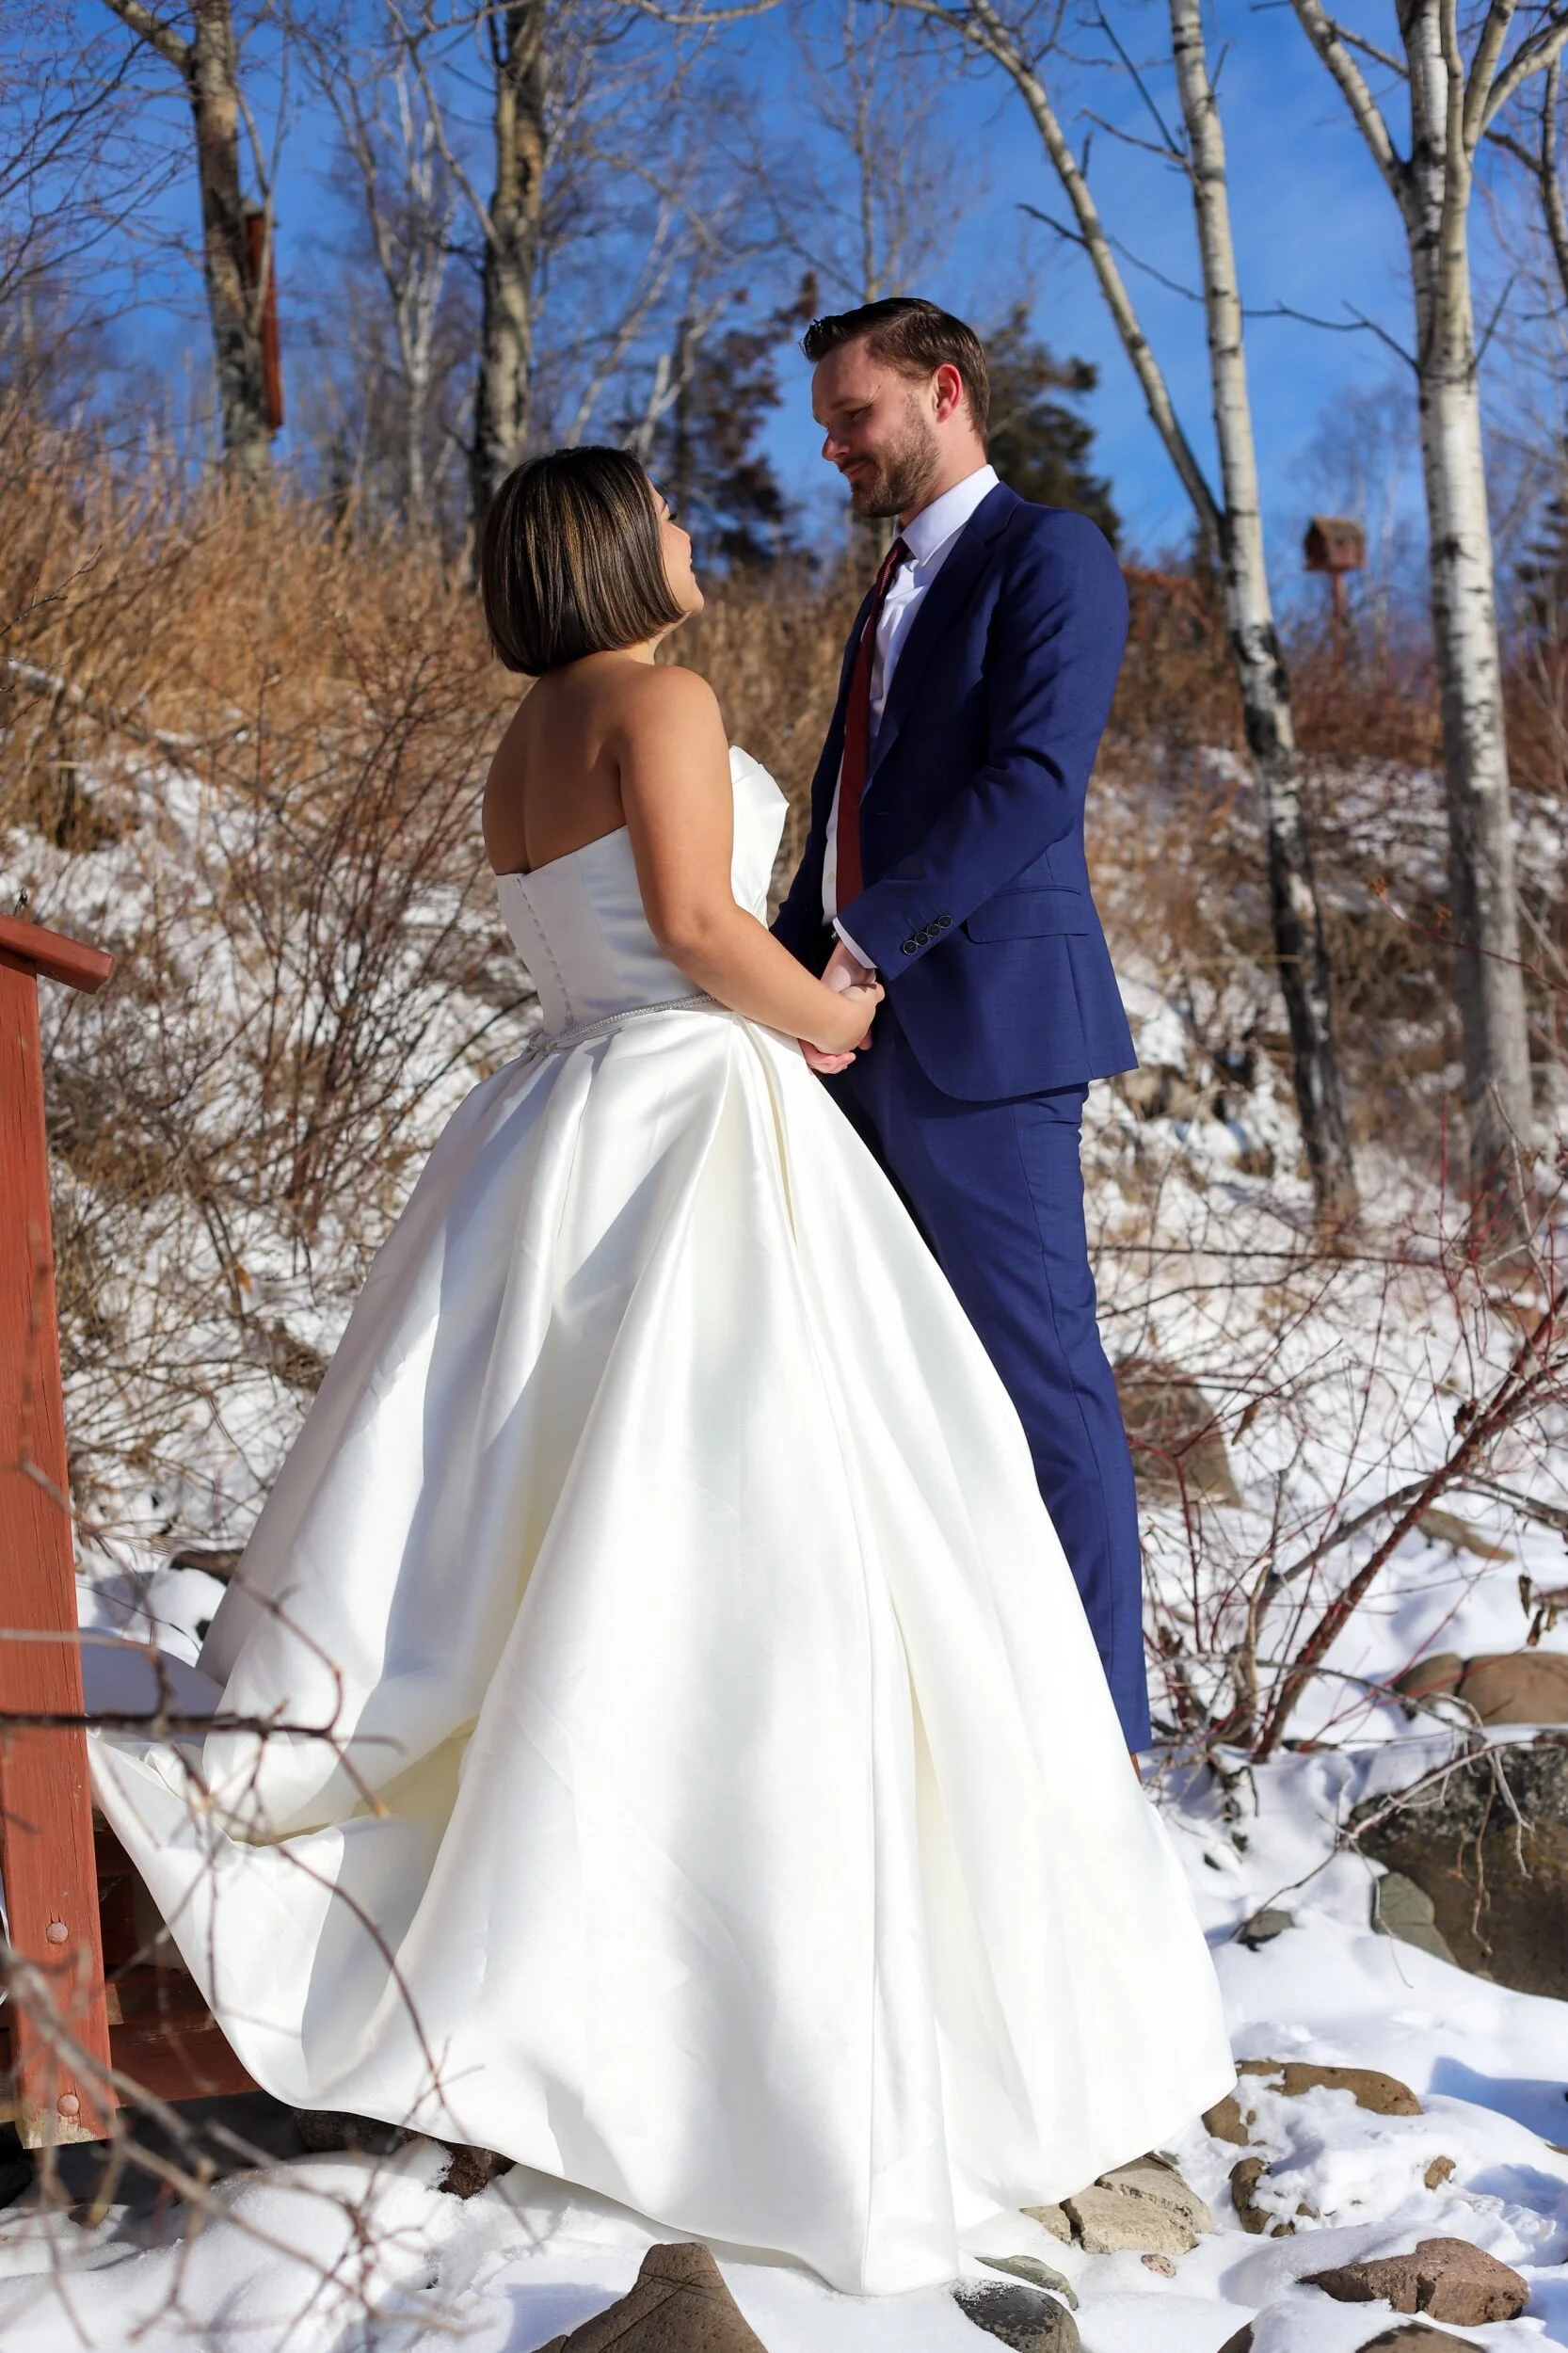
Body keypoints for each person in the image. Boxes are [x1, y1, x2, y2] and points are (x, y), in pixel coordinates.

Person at [91, 446, 1232, 2303]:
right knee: (756, 1523)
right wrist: (834, 1014)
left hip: (548, 1114)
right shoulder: (666, 695)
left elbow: (595, 935)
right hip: (691, 1105)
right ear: (621, 550)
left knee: (528, 1506)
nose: (702, 539)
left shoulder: (519, 736)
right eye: (674, 518)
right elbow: (702, 930)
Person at [774, 298, 1152, 1751]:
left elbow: (1034, 783)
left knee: (1042, 1392)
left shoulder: (1046, 553)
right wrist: (792, 974)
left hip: (982, 1034)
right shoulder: (883, 589)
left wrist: (858, 954)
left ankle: (1104, 1752)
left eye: (850, 415)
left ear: (942, 393)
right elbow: (843, 821)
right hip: (847, 1035)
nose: (829, 445)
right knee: (886, 1387)